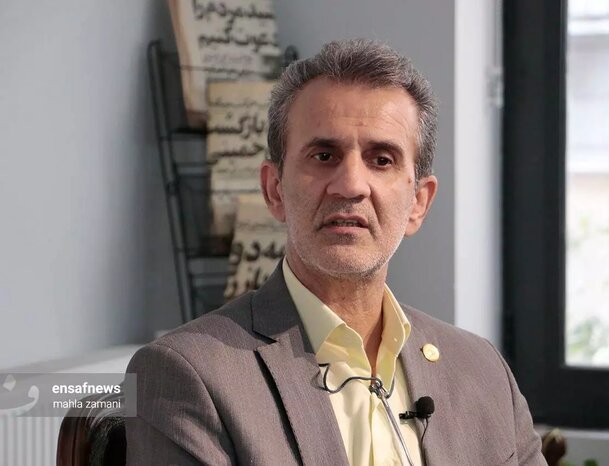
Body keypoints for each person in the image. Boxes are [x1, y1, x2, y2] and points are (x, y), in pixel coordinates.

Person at [126, 38, 546, 466]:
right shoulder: (184, 373)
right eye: (324, 155)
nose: (350, 185)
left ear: (418, 202)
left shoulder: (483, 371)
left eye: (381, 160)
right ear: (274, 190)